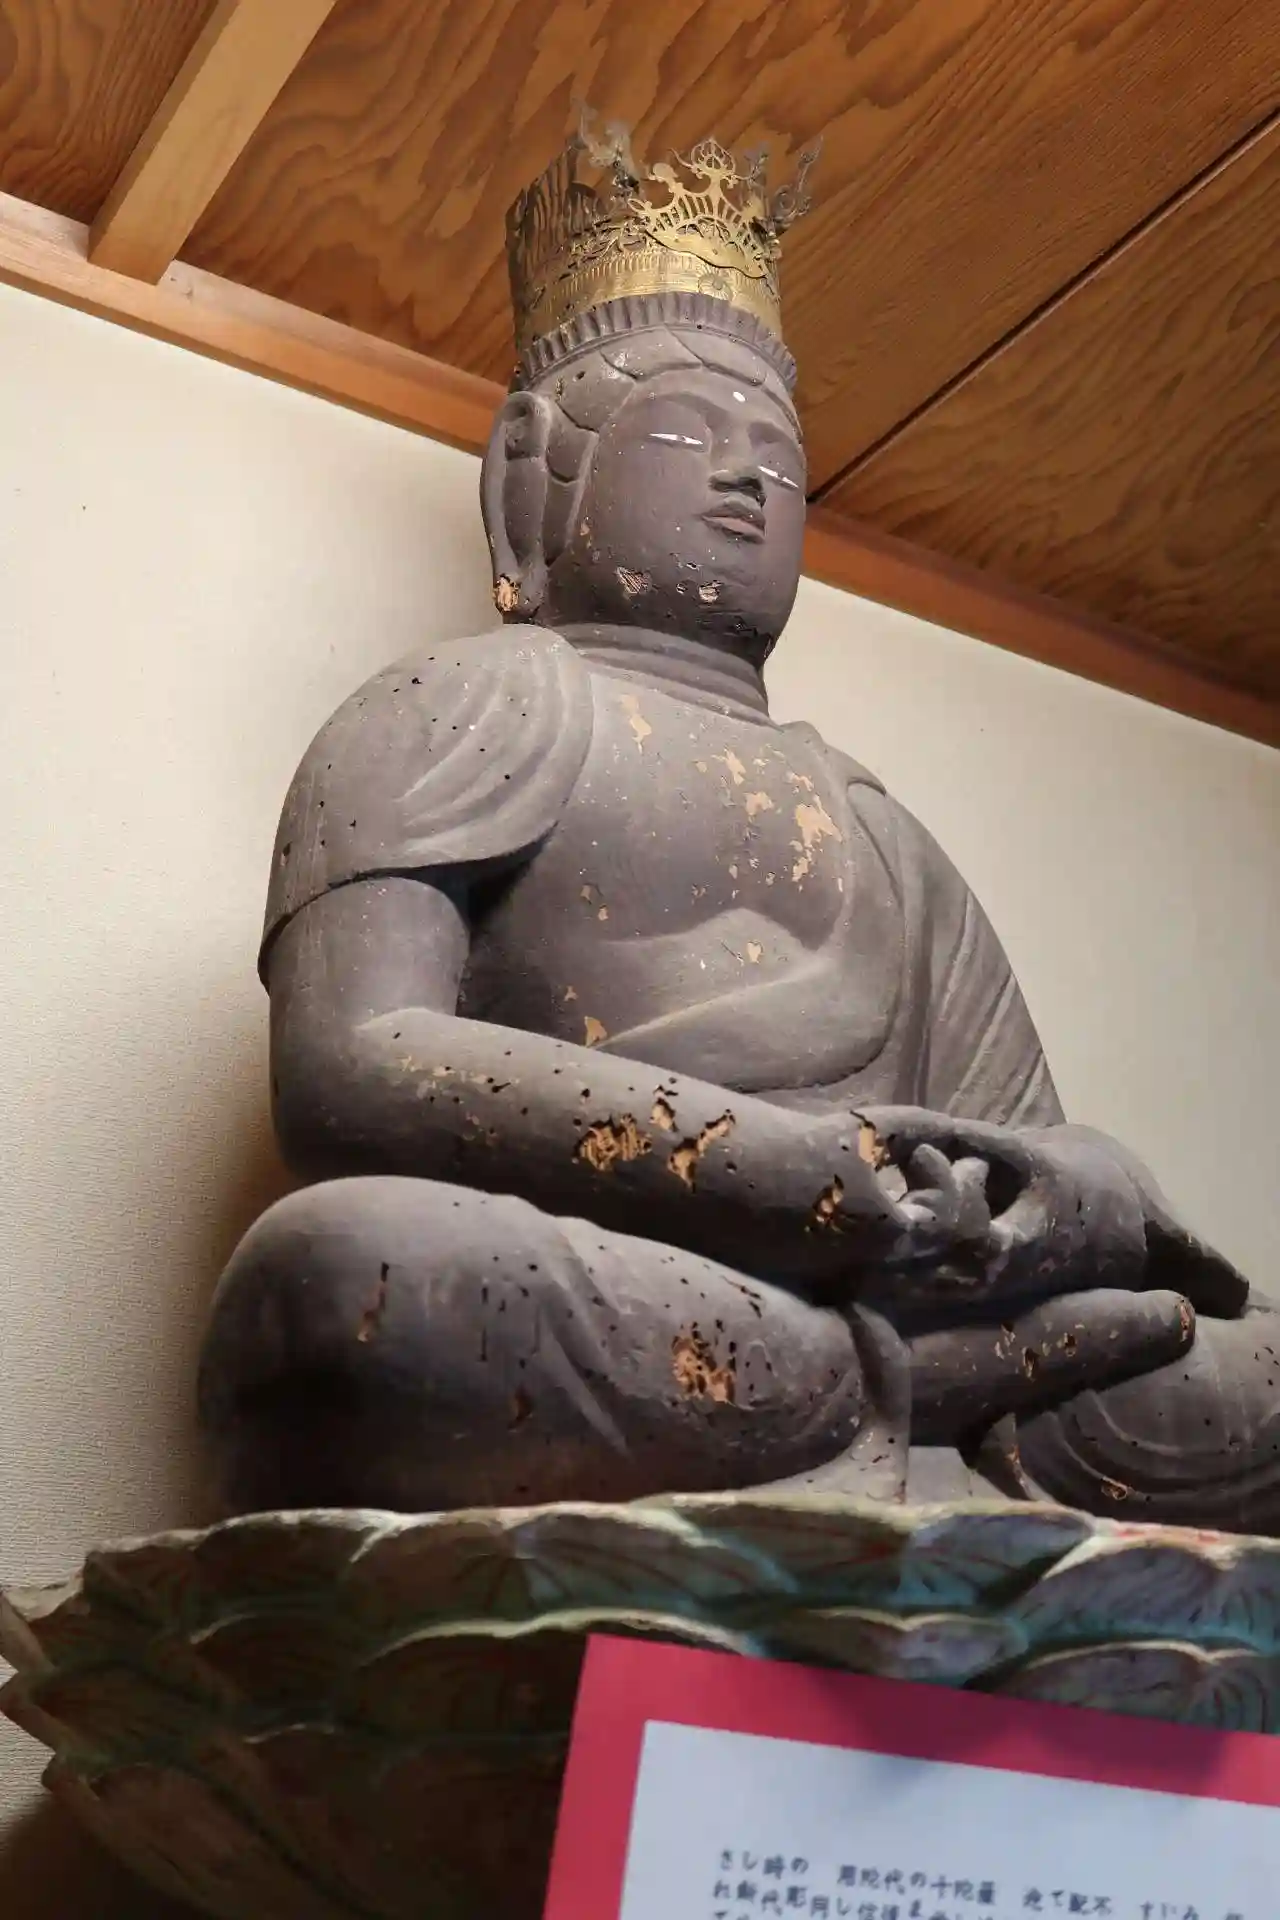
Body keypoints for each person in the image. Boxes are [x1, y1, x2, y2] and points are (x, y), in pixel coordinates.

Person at [199, 121, 1277, 1532]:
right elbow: (345, 1066)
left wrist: (1070, 1193)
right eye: (681, 437)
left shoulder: (873, 821)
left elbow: (1024, 1149)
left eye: (777, 456)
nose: (745, 479)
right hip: (657, 1281)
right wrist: (776, 1175)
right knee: (339, 1286)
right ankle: (911, 1399)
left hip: (912, 1306)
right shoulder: (460, 702)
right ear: (533, 477)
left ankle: (898, 1394)